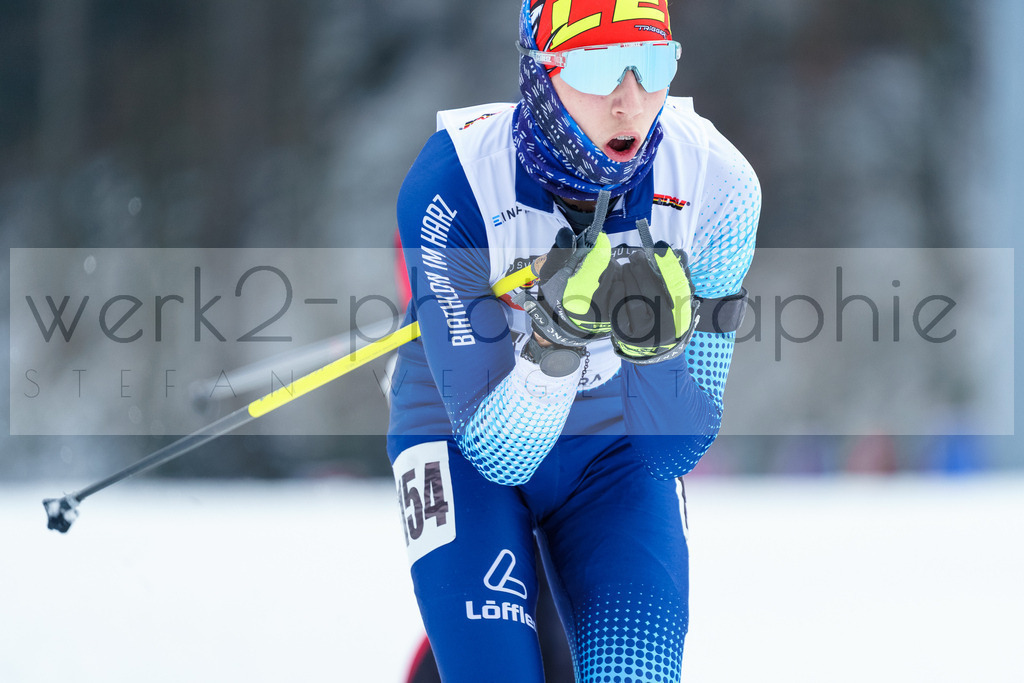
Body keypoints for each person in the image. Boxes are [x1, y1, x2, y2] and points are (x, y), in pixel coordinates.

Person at [387, 1, 760, 681]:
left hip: (613, 452)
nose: (629, 100)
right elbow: (497, 455)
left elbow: (677, 447)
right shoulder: (452, 187)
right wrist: (554, 344)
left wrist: (658, 352)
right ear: (542, 72)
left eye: (652, 64)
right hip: (460, 437)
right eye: (595, 67)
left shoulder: (720, 186)